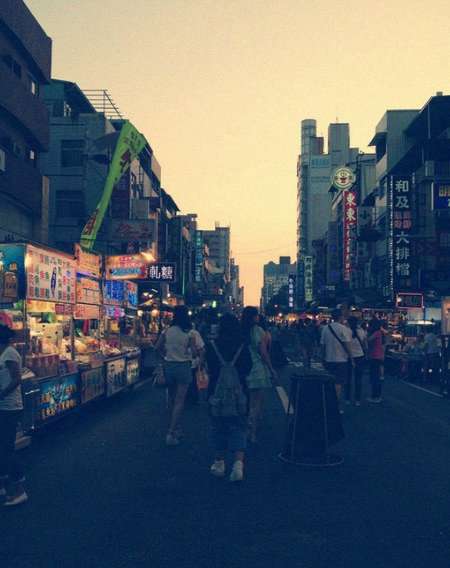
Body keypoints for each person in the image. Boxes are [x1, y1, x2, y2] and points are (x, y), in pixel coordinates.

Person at [205, 314, 252, 482]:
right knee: (239, 425)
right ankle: (238, 465)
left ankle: (219, 463)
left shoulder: (212, 345)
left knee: (218, 426)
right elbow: (248, 367)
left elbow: (209, 367)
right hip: (239, 391)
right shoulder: (242, 345)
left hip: (216, 391)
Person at [155, 306, 197, 446]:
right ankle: (171, 432)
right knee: (180, 401)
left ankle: (177, 428)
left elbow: (157, 348)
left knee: (172, 399)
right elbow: (194, 352)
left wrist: (165, 356)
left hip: (169, 366)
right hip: (183, 366)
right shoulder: (189, 332)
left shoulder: (167, 331)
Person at [0, 325, 27, 506]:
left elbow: (17, 379)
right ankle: (3, 486)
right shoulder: (4, 353)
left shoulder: (9, 353)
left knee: (6, 449)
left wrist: (1, 394)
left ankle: (19, 490)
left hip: (9, 407)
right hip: (4, 406)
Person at [241, 306, 276, 443]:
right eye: (256, 315)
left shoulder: (241, 330)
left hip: (244, 369)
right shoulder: (258, 331)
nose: (258, 317)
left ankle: (245, 428)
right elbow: (264, 352)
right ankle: (252, 432)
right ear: (253, 317)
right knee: (256, 404)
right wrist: (271, 369)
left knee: (247, 402)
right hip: (258, 369)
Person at [320, 309, 353, 409]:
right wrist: (351, 358)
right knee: (338, 383)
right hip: (341, 360)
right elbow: (347, 345)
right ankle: (335, 404)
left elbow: (322, 345)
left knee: (329, 381)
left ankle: (328, 402)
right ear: (341, 317)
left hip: (328, 359)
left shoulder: (325, 328)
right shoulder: (343, 329)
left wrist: (322, 358)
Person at [345, 317, 367, 406]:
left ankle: (347, 398)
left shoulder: (345, 331)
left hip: (348, 357)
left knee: (348, 379)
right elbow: (365, 345)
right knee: (358, 379)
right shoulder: (362, 332)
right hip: (359, 356)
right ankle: (357, 400)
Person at [367, 320, 385, 402]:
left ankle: (376, 396)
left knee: (375, 377)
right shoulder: (380, 333)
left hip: (375, 356)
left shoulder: (377, 333)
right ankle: (376, 395)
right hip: (378, 356)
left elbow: (369, 340)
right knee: (376, 377)